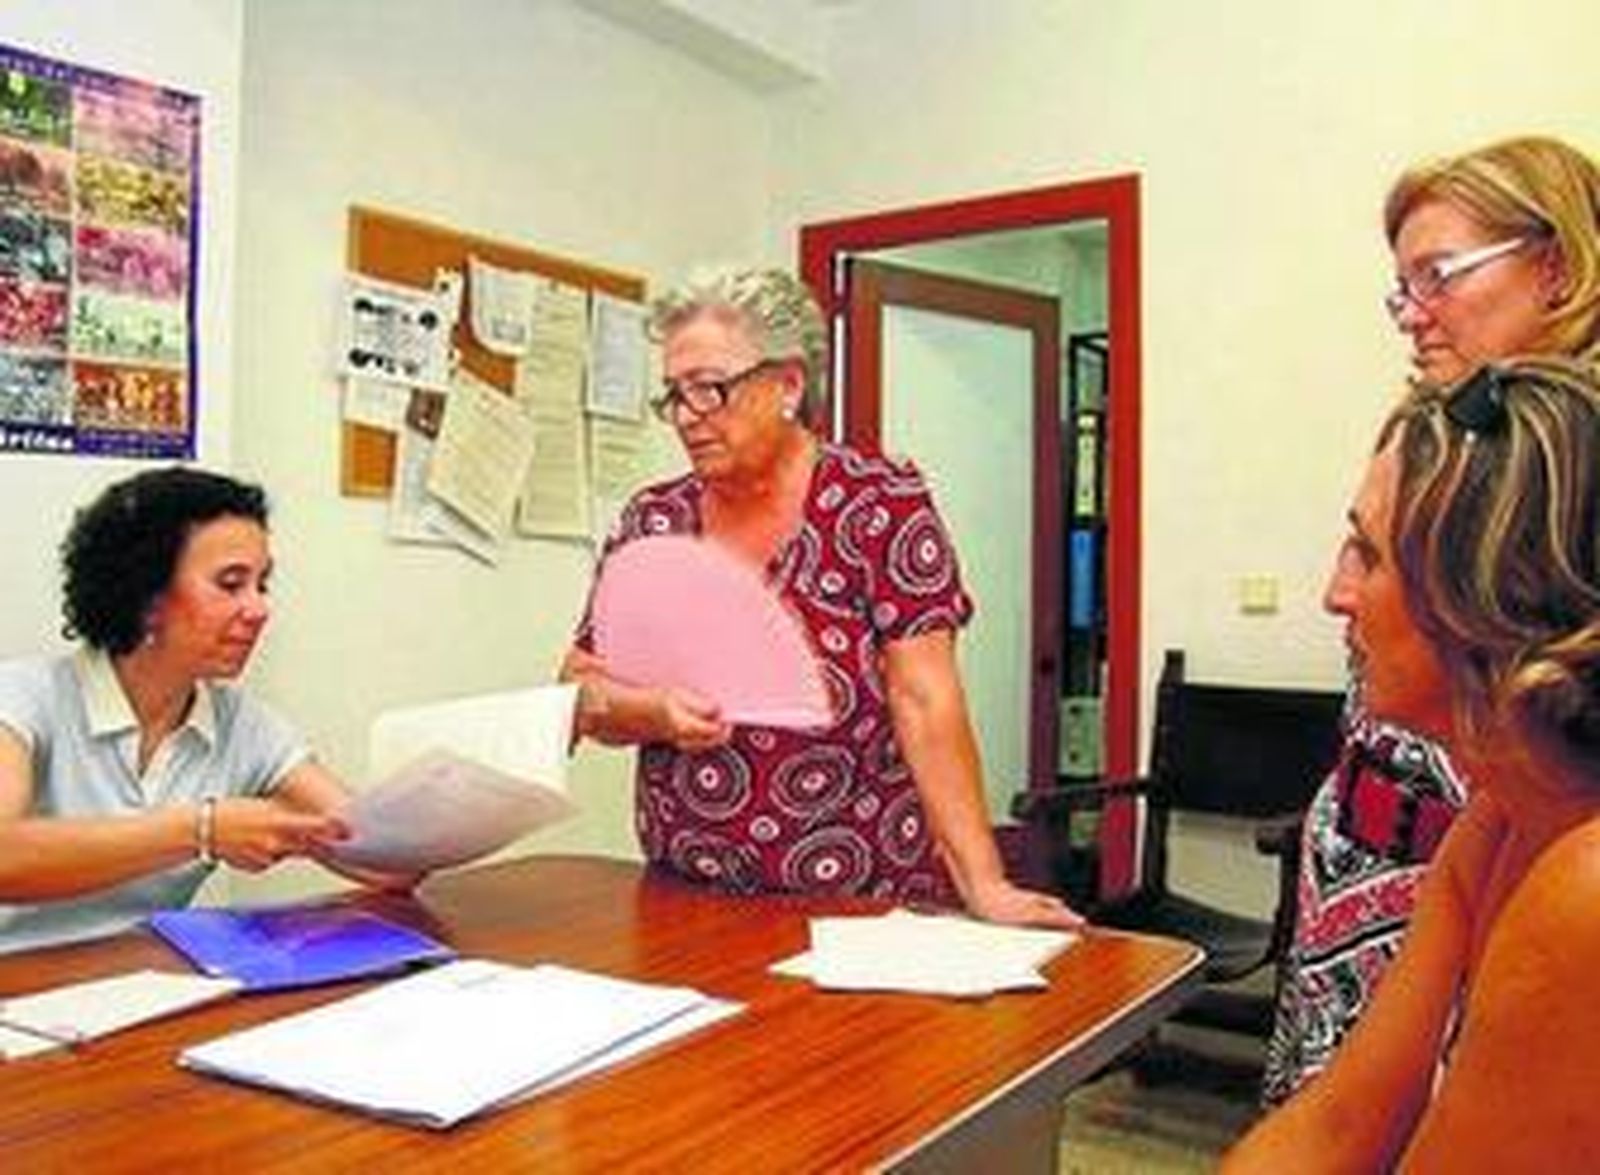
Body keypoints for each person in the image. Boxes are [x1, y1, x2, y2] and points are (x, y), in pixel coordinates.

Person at [560, 266, 1078, 928]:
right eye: (674, 395)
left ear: (788, 384)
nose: (687, 417)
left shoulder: (878, 505)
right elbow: (579, 689)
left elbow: (925, 700)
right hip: (683, 894)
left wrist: (985, 884)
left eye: (710, 389)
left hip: (858, 900)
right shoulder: (653, 519)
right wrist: (651, 713)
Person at [1263, 134, 1600, 1103]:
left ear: (1556, 265)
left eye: (1436, 276)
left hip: (1506, 871)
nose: (1411, 312)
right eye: (1401, 288)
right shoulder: (1430, 431)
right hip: (1370, 857)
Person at [1229, 357, 1600, 1170]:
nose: (1335, 593)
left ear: (1487, 595)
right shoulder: (1498, 821)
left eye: (1368, 554)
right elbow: (1338, 1126)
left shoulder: (1587, 891)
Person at [0, 466, 412, 953]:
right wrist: (202, 830)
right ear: (146, 595)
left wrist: (448, 822)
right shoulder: (22, 698)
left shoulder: (243, 726)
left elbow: (384, 862)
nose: (259, 610)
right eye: (231, 584)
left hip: (136, 977)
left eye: (262, 585)